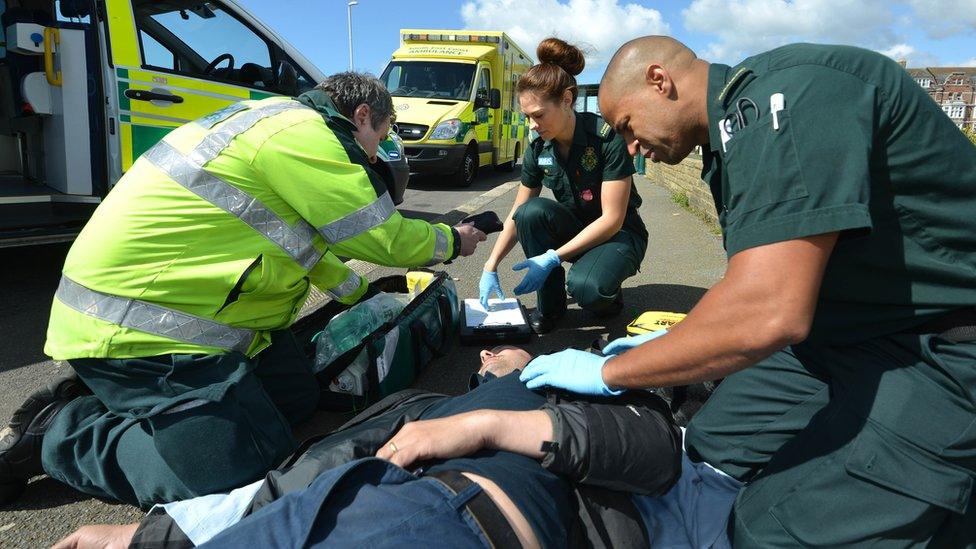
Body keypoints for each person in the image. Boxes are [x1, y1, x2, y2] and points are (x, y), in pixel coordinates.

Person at [519, 37, 976, 546]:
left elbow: (769, 311)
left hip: (940, 351)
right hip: (840, 334)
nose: (629, 146)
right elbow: (752, 283)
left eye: (628, 125)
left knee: (766, 529)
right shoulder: (729, 138)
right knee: (706, 448)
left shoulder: (788, 98)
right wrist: (676, 342)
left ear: (659, 80)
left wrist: (609, 371)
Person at [0, 72, 487, 508]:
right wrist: (452, 241)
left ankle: (139, 402)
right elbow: (386, 237)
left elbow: (304, 250)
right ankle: (59, 432)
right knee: (238, 467)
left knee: (297, 398)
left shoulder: (271, 121)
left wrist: (364, 296)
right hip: (141, 333)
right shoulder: (306, 136)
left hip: (205, 325)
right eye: (379, 137)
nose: (376, 153)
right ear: (362, 115)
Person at [53, 345, 741, 549]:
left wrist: (488, 425)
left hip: (448, 521)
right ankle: (53, 433)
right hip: (344, 507)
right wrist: (154, 535)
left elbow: (651, 451)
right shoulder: (446, 403)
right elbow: (312, 474)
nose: (494, 351)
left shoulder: (596, 386)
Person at [479, 38, 647, 334]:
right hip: (575, 231)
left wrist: (554, 256)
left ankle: (606, 295)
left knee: (588, 290)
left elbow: (612, 219)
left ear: (567, 100)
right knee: (530, 212)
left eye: (538, 115)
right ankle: (551, 307)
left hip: (618, 236)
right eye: (527, 117)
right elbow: (518, 212)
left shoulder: (605, 140)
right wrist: (490, 265)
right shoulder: (538, 149)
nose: (532, 125)